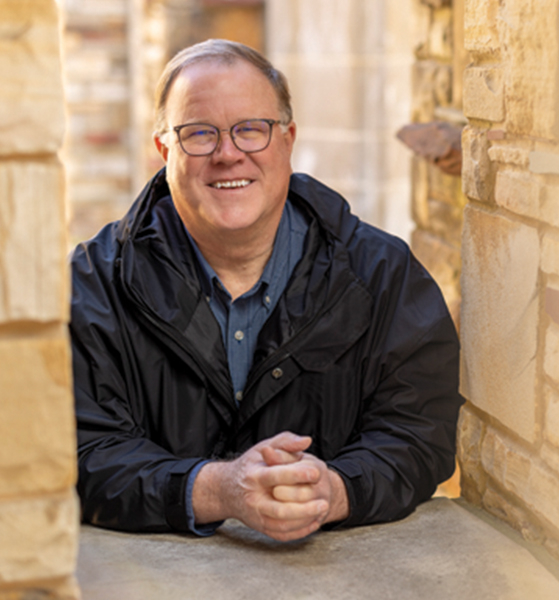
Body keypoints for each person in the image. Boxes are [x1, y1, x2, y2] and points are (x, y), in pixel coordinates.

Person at [71, 39, 463, 542]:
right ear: (164, 150)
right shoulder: (91, 286)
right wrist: (218, 489)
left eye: (251, 130)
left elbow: (420, 434)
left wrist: (334, 490)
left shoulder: (383, 275)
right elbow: (74, 451)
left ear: (287, 139)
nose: (228, 154)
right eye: (199, 134)